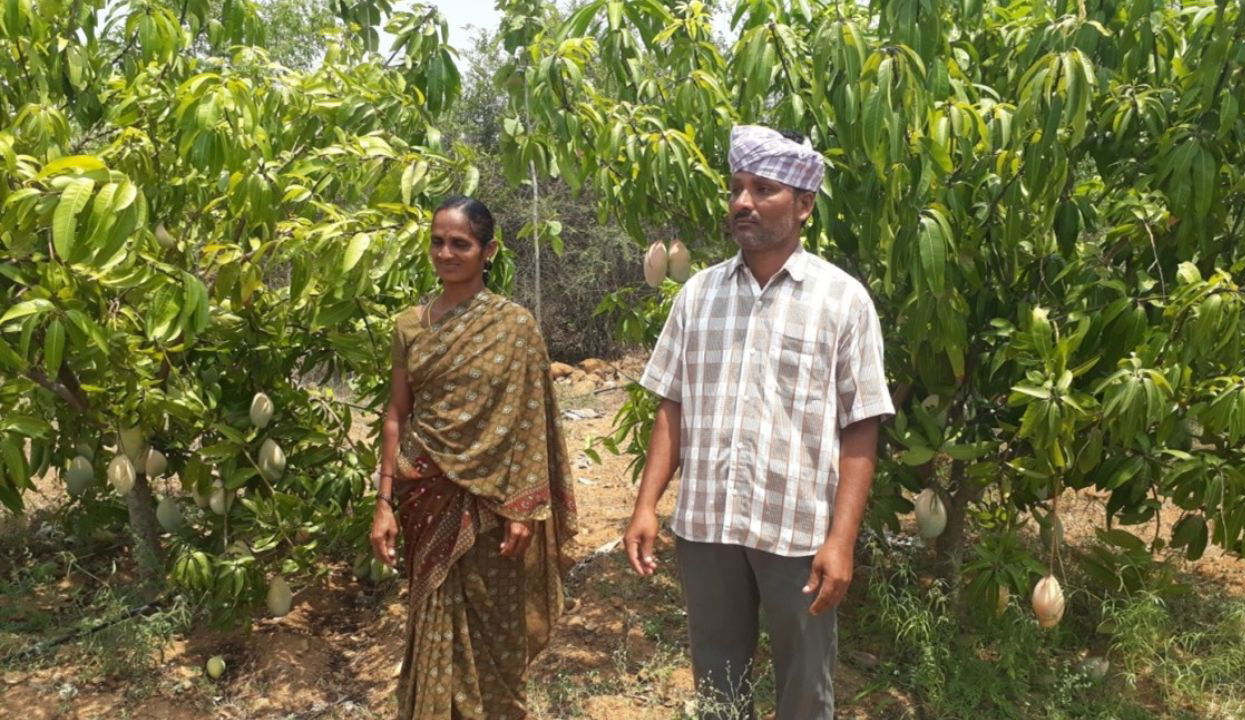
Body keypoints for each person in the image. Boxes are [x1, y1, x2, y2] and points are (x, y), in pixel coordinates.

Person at [622, 125, 895, 720]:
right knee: (718, 683)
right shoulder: (697, 294)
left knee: (804, 688)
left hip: (797, 530)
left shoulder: (842, 300)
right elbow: (672, 404)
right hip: (707, 525)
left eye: (763, 189)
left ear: (803, 205)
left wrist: (841, 542)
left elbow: (861, 427)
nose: (743, 201)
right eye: (737, 187)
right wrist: (647, 505)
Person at [369, 195, 577, 720]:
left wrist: (523, 506)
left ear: (488, 251)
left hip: (490, 507)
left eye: (460, 243)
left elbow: (530, 419)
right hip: (424, 494)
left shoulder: (514, 327)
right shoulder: (409, 325)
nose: (446, 253)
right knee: (432, 617)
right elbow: (397, 415)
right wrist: (384, 501)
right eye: (438, 242)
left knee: (495, 631)